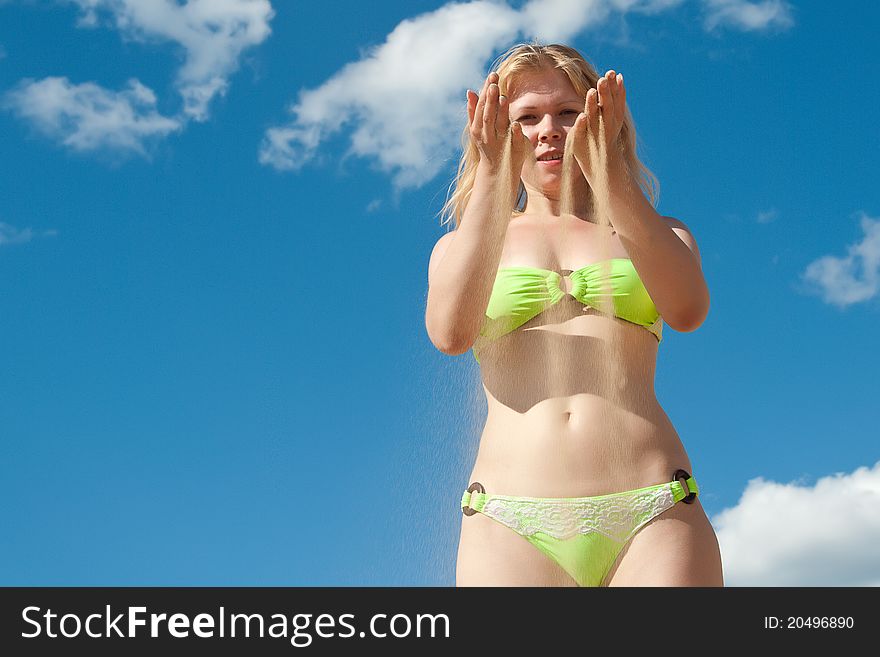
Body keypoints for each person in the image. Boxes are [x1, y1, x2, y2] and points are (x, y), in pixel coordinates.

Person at [425, 43, 723, 587]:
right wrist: (494, 176)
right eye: (526, 118)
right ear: (495, 128)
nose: (549, 131)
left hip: (652, 508)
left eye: (568, 112)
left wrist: (613, 176)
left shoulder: (660, 233)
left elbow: (687, 310)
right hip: (509, 517)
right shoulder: (461, 247)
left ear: (602, 118)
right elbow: (449, 333)